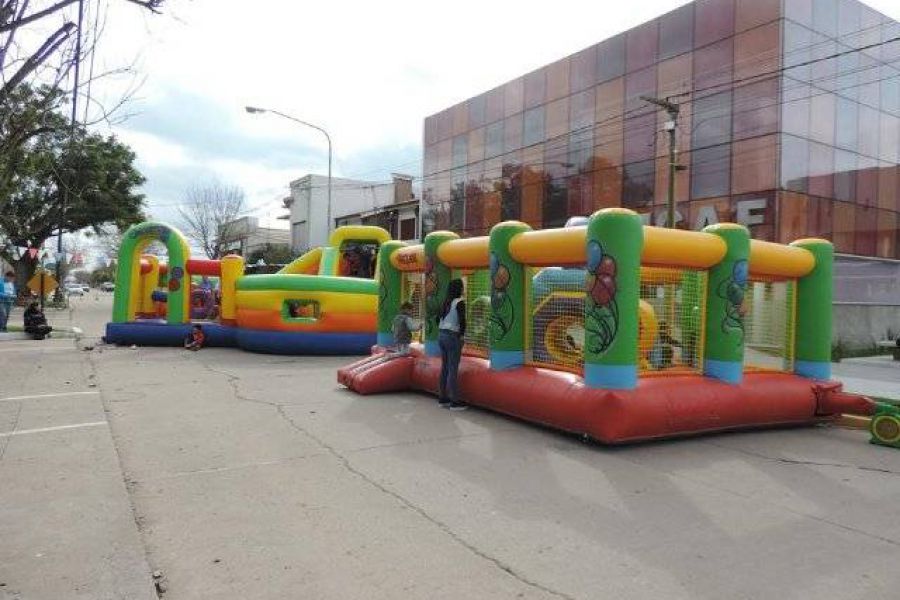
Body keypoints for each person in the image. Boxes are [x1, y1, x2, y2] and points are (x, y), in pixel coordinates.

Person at [437, 278, 467, 410]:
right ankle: (454, 401)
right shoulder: (459, 302)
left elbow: (437, 318)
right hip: (452, 336)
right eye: (462, 287)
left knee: (445, 367)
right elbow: (462, 321)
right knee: (453, 368)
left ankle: (443, 398)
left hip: (441, 335)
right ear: (460, 289)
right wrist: (461, 336)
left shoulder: (446, 302)